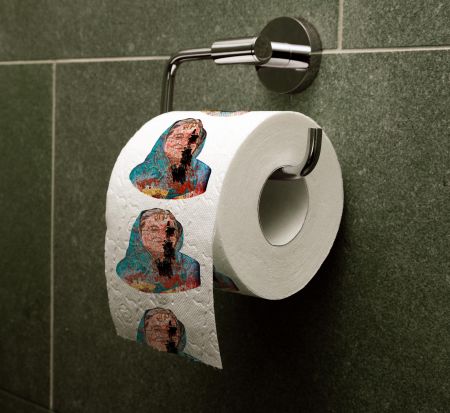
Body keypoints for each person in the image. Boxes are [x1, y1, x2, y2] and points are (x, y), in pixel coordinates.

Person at [116, 208, 201, 293]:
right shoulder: (125, 269)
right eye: (154, 229)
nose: (163, 236)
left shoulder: (191, 267)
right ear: (139, 234)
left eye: (169, 230)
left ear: (177, 234)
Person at [129, 118, 211, 199]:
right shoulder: (140, 172)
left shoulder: (203, 172)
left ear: (198, 146)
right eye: (178, 137)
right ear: (164, 139)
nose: (185, 143)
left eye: (192, 140)